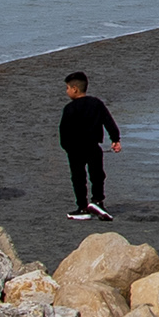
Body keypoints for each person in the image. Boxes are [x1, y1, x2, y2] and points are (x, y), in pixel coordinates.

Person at [57, 72, 121, 220]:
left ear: (74, 89)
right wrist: (115, 139)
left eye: (67, 88)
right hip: (93, 146)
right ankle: (98, 201)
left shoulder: (69, 108)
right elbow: (108, 121)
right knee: (97, 175)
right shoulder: (96, 103)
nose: (66, 91)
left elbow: (63, 131)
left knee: (79, 178)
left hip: (75, 149)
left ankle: (82, 207)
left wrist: (66, 147)